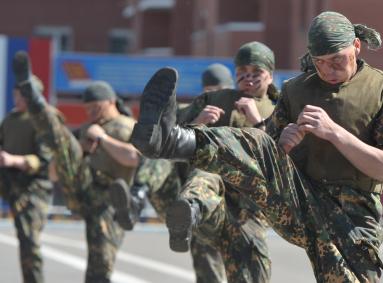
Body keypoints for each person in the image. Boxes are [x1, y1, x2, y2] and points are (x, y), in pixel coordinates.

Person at [130, 11, 383, 283]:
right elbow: (263, 146)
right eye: (318, 62)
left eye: (336, 60)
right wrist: (282, 145)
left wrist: (334, 132)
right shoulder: (296, 89)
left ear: (356, 46)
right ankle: (173, 140)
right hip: (298, 199)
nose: (327, 70)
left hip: (353, 215)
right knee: (258, 141)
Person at [12, 51, 140, 283]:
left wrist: (102, 139)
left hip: (112, 202)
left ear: (111, 102)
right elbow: (53, 172)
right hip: (84, 191)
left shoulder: (127, 126)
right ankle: (36, 101)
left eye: (96, 107)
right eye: (88, 108)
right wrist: (80, 148)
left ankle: (36, 101)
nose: (91, 113)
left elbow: (134, 158)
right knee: (61, 138)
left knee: (98, 270)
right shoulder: (85, 129)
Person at [111, 62, 236, 283]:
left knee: (209, 270)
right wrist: (196, 124)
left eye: (218, 91)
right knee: (161, 154)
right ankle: (135, 201)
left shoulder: (238, 113)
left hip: (215, 201)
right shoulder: (189, 111)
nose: (212, 96)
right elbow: (173, 146)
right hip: (180, 205)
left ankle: (185, 210)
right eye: (208, 91)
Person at [165, 42, 277, 283]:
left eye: (256, 72)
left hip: (249, 209)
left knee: (252, 274)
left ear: (270, 74)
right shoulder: (215, 99)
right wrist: (199, 121)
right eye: (242, 72)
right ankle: (187, 214)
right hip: (210, 204)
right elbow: (176, 139)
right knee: (208, 171)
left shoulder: (279, 109)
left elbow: (280, 157)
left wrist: (257, 121)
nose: (248, 78)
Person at [0, 77, 53, 283]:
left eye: (21, 96)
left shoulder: (41, 121)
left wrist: (15, 160)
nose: (17, 99)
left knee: (29, 241)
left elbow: (43, 159)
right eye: (15, 95)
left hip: (33, 186)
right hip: (9, 180)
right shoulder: (11, 119)